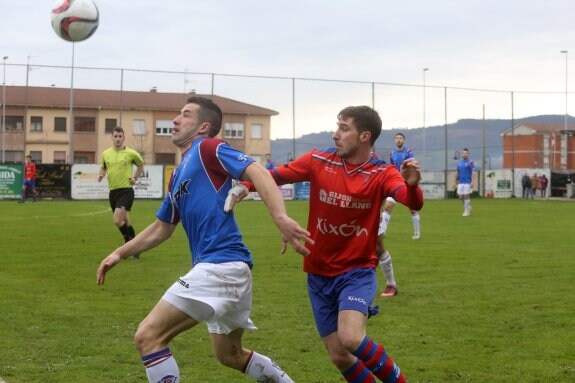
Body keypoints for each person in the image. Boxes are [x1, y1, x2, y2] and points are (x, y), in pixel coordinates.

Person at [96, 96, 312, 383]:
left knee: (148, 337)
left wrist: (281, 218)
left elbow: (257, 171)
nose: (175, 120)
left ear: (203, 127)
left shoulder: (209, 147)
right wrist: (119, 253)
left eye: (185, 115)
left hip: (219, 266)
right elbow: (163, 227)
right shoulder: (177, 175)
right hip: (231, 270)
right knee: (230, 355)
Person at [227, 105, 423, 383]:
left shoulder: (382, 172)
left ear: (365, 136)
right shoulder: (319, 160)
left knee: (351, 337)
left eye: (344, 128)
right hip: (318, 274)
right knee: (339, 355)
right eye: (337, 126)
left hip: (356, 272)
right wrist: (247, 186)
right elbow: (276, 176)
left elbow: (410, 200)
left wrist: (413, 185)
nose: (335, 135)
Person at [98, 126, 145, 258]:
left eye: (120, 136)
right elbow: (103, 167)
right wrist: (101, 175)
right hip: (113, 192)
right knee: (126, 222)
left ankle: (128, 242)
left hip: (126, 191)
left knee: (117, 220)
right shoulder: (106, 154)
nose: (118, 139)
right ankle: (136, 248)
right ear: (112, 137)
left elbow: (141, 165)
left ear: (124, 138)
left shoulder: (131, 153)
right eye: (115, 136)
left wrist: (134, 178)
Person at [381, 133, 421, 240]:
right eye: (397, 138)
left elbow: (413, 165)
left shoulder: (408, 152)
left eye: (400, 138)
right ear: (395, 141)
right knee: (388, 207)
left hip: (406, 184)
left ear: (404, 140)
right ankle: (383, 232)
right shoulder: (392, 153)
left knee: (413, 209)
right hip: (395, 183)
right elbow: (392, 167)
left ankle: (417, 233)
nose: (398, 140)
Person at [456, 148, 475, 216]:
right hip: (460, 182)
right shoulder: (459, 163)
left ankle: (466, 211)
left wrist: (472, 181)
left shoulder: (471, 162)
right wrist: (455, 180)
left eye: (466, 153)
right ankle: (468, 207)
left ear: (468, 154)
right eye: (463, 153)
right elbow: (458, 172)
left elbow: (473, 172)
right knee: (460, 197)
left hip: (467, 182)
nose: (465, 154)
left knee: (466, 196)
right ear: (462, 154)